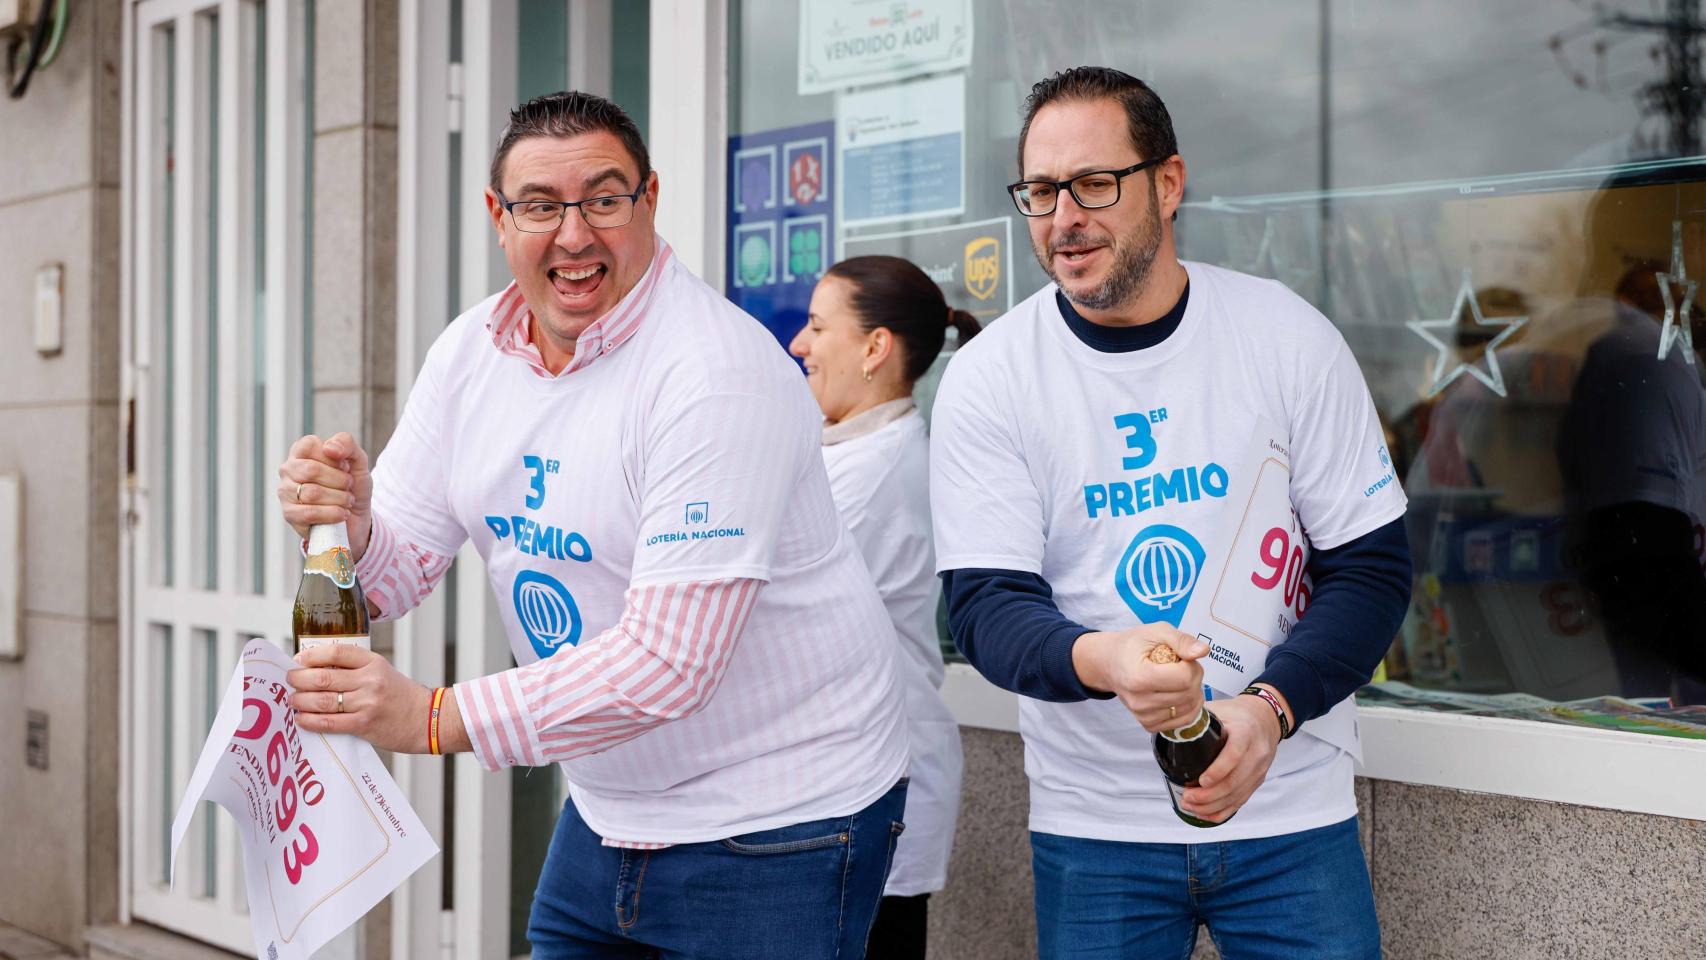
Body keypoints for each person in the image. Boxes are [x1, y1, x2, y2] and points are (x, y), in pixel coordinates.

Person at [275, 91, 909, 960]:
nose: (574, 235)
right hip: (611, 807)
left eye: (604, 200)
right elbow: (393, 575)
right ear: (499, 219)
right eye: (540, 205)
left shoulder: (714, 373)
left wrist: (430, 717)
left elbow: (667, 663)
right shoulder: (469, 354)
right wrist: (350, 525)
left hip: (782, 817)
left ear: (649, 201)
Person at [929, 67, 1411, 958]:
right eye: (1040, 191)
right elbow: (986, 608)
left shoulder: (1285, 337)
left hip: (1292, 811)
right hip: (1095, 828)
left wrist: (1269, 711)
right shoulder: (992, 377)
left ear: (1169, 182)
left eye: (1094, 184)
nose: (1063, 217)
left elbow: (1372, 570)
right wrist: (1106, 658)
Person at [788, 256, 980, 958]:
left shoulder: (874, 477)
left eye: (816, 326)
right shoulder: (851, 452)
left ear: (875, 347)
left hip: (867, 795)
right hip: (847, 791)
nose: (798, 345)